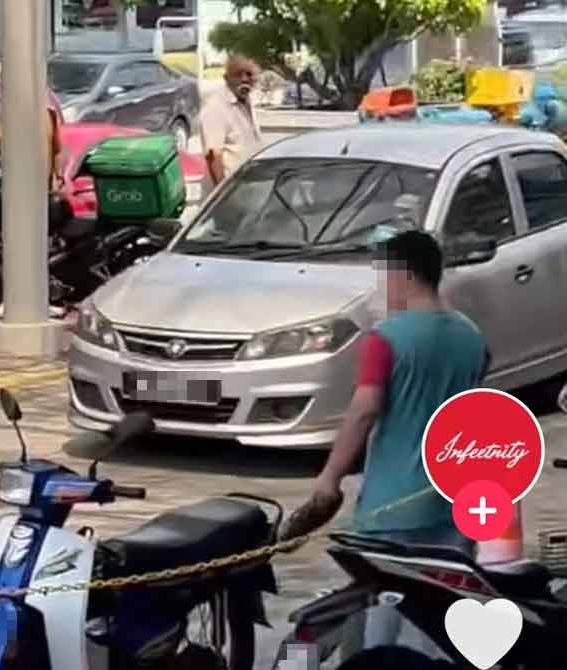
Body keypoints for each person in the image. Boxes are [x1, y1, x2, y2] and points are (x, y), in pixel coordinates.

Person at [302, 230, 489, 655]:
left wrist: (330, 476)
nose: (383, 287)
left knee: (377, 622)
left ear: (405, 275)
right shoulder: (472, 338)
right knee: (442, 623)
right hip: (454, 501)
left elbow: (365, 408)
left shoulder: (386, 338)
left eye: (385, 276)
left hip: (392, 505)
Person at [199, 54, 264, 194]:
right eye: (238, 74)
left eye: (249, 74)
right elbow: (213, 156)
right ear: (226, 78)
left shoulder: (246, 100)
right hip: (229, 192)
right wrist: (222, 194)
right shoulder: (215, 108)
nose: (244, 79)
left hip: (247, 186)